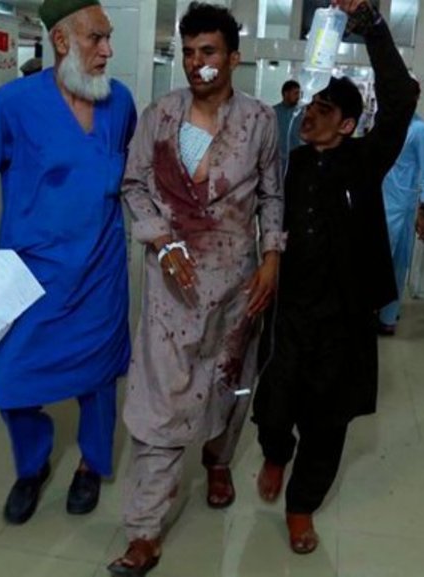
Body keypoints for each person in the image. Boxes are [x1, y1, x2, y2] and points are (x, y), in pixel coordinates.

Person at [0, 0, 136, 525]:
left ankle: (91, 464)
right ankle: (32, 465)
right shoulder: (14, 104)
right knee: (14, 384)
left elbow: (136, 177)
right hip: (32, 277)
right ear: (61, 41)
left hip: (101, 274)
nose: (108, 50)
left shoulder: (120, 103)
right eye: (96, 38)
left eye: (108, 37)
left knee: (99, 382)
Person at [108, 3, 285, 575]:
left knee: (230, 381)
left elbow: (272, 196)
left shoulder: (259, 121)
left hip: (237, 284)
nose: (195, 63)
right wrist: (162, 240)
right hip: (174, 285)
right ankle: (144, 529)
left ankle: (217, 460)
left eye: (207, 52)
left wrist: (271, 258)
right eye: (187, 52)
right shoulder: (160, 116)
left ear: (233, 58)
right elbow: (133, 185)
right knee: (161, 399)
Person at [251, 0, 419, 555]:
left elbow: (402, 98)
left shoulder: (365, 160)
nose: (312, 114)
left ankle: (301, 508)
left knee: (328, 419)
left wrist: (371, 25)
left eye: (324, 109)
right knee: (274, 404)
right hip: (290, 313)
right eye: (313, 104)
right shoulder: (293, 163)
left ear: (346, 125)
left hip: (343, 321)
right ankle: (275, 453)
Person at [378, 97, 424, 335]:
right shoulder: (387, 125)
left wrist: (422, 212)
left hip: (402, 206)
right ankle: (379, 312)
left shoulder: (420, 131)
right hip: (379, 202)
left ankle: (388, 317)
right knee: (378, 262)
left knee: (396, 264)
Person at [273, 79, 303, 174]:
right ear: (286, 94)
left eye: (299, 94)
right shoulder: (273, 113)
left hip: (298, 160)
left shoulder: (302, 113)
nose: (298, 97)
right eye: (295, 93)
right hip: (277, 160)